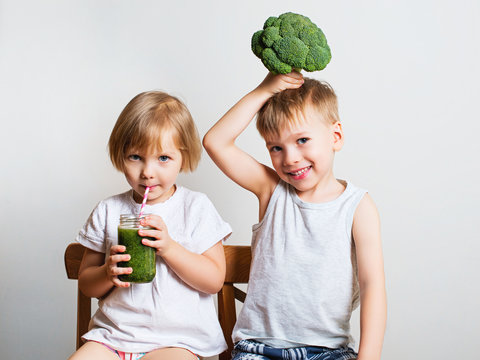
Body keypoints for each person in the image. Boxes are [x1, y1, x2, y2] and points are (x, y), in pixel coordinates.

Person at [203, 72, 386, 360]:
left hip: (329, 351)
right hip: (258, 348)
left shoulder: (358, 206)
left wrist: (369, 357)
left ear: (335, 136)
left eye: (302, 140)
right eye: (276, 147)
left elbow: (372, 284)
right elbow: (216, 141)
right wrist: (264, 90)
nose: (289, 158)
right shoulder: (271, 190)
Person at [69, 91, 232, 360]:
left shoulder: (196, 208)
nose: (147, 171)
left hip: (178, 342)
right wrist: (107, 273)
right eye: (136, 157)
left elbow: (213, 281)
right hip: (113, 336)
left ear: (184, 156)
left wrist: (169, 248)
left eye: (163, 158)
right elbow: (87, 284)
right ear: (120, 154)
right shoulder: (109, 210)